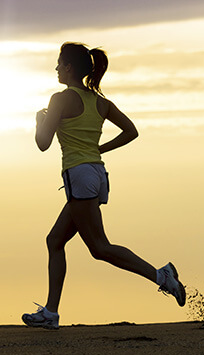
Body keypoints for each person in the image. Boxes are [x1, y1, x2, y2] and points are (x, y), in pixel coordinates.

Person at [22, 42, 186, 330]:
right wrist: (99, 150)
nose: (57, 68)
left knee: (99, 247)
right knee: (55, 241)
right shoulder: (100, 102)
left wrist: (40, 121)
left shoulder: (59, 99)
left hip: (79, 175)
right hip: (97, 175)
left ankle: (162, 276)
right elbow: (131, 131)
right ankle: (50, 312)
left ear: (69, 67)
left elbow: (42, 144)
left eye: (60, 63)